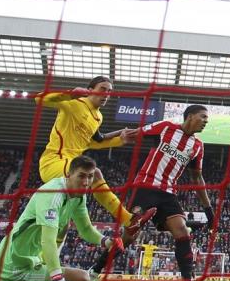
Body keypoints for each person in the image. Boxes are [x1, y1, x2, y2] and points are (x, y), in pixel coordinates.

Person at [89, 105, 215, 281]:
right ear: (190, 116)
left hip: (168, 193)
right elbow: (133, 133)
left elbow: (197, 178)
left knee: (182, 231)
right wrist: (102, 137)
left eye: (207, 118)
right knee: (129, 236)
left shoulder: (197, 146)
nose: (206, 121)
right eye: (203, 117)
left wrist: (209, 211)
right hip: (145, 187)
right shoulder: (166, 127)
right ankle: (95, 270)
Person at [36, 75, 149, 229]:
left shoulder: (98, 117)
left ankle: (64, 225)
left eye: (109, 91)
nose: (106, 94)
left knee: (72, 204)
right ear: (90, 90)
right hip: (54, 161)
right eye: (102, 89)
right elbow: (39, 99)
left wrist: (121, 140)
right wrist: (69, 93)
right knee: (93, 173)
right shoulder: (74, 103)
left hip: (71, 166)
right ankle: (128, 220)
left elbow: (94, 142)